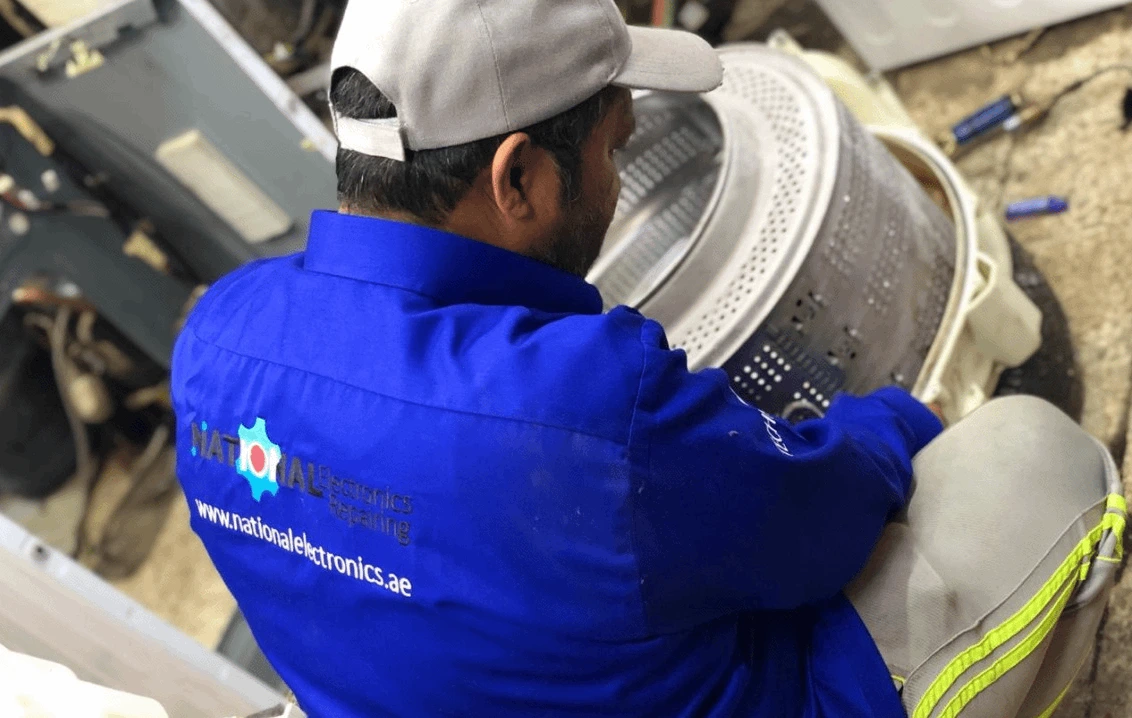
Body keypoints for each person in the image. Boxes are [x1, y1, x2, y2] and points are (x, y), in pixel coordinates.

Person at [173, 1, 974, 716]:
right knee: (1026, 464)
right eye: (615, 148)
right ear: (518, 177)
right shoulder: (586, 401)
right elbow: (827, 525)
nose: (618, 180)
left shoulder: (214, 339)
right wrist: (902, 422)